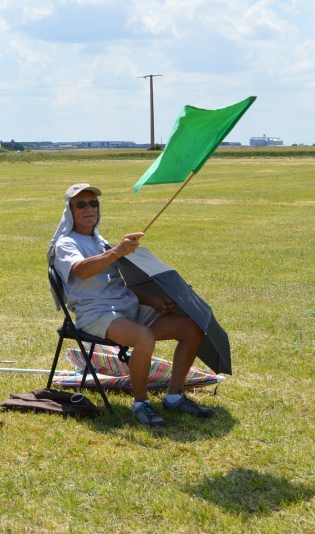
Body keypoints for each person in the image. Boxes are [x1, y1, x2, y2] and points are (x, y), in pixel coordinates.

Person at [48, 183, 216, 427]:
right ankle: (141, 404)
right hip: (96, 314)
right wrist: (116, 251)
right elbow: (82, 270)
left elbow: (116, 284)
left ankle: (174, 397)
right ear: (69, 211)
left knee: (192, 326)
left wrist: (153, 301)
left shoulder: (99, 241)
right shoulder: (66, 243)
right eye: (81, 204)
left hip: (126, 310)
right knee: (144, 337)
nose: (89, 209)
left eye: (93, 203)